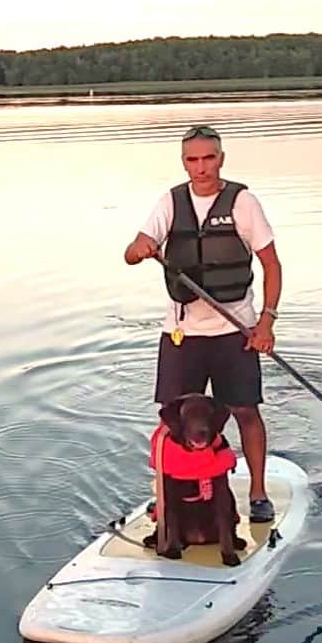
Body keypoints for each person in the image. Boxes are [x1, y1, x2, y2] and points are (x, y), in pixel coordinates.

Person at [124, 124, 282, 523]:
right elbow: (131, 251)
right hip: (183, 334)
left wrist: (266, 323)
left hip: (236, 331)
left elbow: (271, 265)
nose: (201, 168)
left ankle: (258, 494)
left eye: (208, 158)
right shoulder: (170, 203)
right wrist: (138, 249)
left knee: (245, 410)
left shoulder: (243, 203)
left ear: (221, 159)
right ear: (184, 163)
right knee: (171, 418)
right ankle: (167, 495)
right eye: (192, 160)